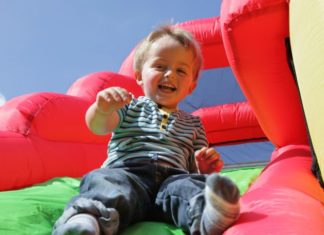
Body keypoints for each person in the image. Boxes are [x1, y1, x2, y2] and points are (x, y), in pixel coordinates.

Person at [53, 26, 240, 235]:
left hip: (172, 180)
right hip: (129, 171)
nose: (170, 74)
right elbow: (98, 126)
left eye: (181, 70)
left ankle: (207, 214)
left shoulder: (194, 124)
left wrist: (204, 167)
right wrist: (102, 110)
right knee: (107, 182)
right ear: (140, 75)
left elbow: (194, 166)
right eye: (160, 66)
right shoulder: (130, 105)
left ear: (191, 86)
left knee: (189, 187)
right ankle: (87, 220)